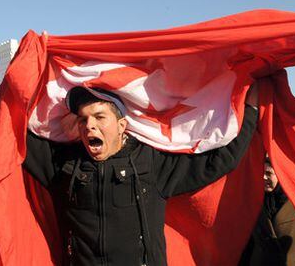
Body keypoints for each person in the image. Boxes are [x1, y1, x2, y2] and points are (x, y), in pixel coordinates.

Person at [23, 84, 258, 266]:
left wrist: (251, 110)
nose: (89, 125)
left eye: (99, 117)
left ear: (122, 125)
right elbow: (12, 134)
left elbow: (217, 161)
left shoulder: (150, 163)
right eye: (83, 119)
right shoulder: (64, 164)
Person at [240, 156, 295, 266]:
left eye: (268, 173)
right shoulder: (255, 200)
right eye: (261, 172)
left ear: (281, 174)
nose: (263, 177)